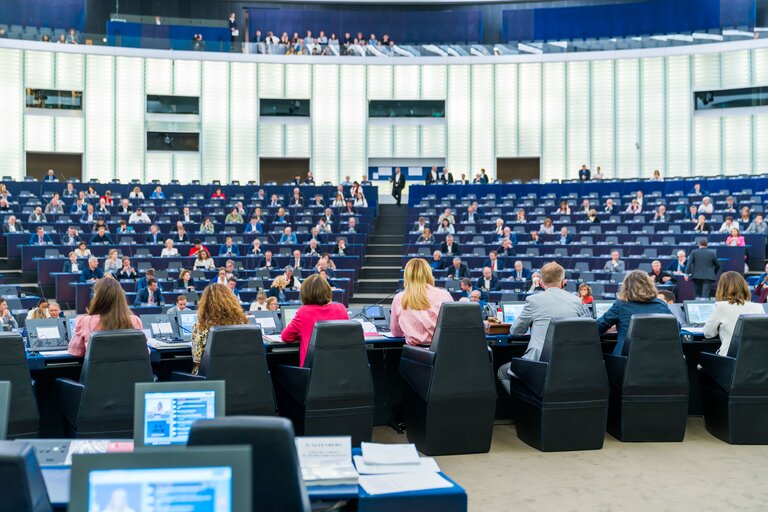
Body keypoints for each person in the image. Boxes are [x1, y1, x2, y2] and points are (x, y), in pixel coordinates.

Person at [497, 262, 589, 382]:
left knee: (502, 372)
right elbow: (588, 329)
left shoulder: (533, 300)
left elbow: (515, 331)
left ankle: (526, 399)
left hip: (538, 365)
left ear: (540, 282)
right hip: (572, 366)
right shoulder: (578, 302)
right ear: (564, 282)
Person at [597, 270, 673, 355]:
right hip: (658, 358)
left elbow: (599, 326)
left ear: (626, 287)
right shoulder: (661, 304)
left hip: (626, 360)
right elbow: (676, 327)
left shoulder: (621, 304)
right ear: (650, 285)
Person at [281, 274, 349, 366]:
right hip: (339, 368)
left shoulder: (303, 311)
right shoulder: (341, 308)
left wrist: (303, 334)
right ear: (327, 291)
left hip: (312, 372)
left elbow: (286, 337)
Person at [68, 278, 143, 357]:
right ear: (121, 297)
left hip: (97, 369)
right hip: (130, 369)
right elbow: (144, 351)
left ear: (97, 297)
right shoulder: (135, 321)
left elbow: (75, 351)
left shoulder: (84, 321)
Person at [389, 258, 453, 346]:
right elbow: (452, 327)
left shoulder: (399, 298)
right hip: (442, 352)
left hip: (414, 355)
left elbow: (396, 333)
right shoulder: (444, 295)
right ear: (428, 274)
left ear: (407, 276)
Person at [703, 272, 764, 356]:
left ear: (722, 288)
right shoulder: (758, 307)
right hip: (755, 360)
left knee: (699, 363)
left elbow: (708, 333)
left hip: (729, 360)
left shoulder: (720, 306)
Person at [191, 284, 248, 374]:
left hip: (211, 378)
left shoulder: (201, 327)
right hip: (240, 374)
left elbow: (197, 359)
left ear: (205, 303)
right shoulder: (242, 324)